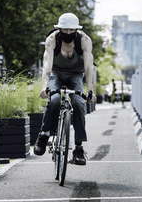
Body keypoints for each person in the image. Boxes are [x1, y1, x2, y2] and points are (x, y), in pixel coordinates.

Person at [34, 13, 96, 165]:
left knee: (79, 103)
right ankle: (44, 134)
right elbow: (47, 64)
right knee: (54, 100)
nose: (68, 33)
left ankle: (79, 147)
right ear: (59, 29)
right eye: (65, 30)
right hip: (56, 73)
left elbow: (88, 67)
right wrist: (45, 87)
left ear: (76, 30)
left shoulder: (84, 40)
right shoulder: (52, 39)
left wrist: (90, 91)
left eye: (71, 30)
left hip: (76, 75)